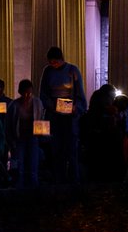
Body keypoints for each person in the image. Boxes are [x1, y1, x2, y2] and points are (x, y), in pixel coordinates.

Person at [38, 46, 88, 184]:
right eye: (50, 62)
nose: (53, 65)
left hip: (69, 116)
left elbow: (80, 93)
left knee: (71, 149)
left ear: (61, 59)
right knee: (56, 149)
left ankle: (74, 179)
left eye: (55, 62)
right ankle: (58, 179)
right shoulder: (47, 71)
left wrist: (75, 108)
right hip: (54, 114)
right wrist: (51, 105)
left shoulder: (72, 70)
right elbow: (42, 92)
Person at [6, 79, 43, 188]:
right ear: (20, 92)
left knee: (33, 164)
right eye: (25, 93)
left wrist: (42, 133)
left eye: (29, 93)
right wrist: (10, 141)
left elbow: (41, 118)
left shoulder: (37, 103)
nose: (27, 96)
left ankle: (33, 185)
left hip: (33, 137)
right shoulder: (14, 105)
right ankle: (19, 186)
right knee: (19, 165)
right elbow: (8, 125)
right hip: (18, 138)